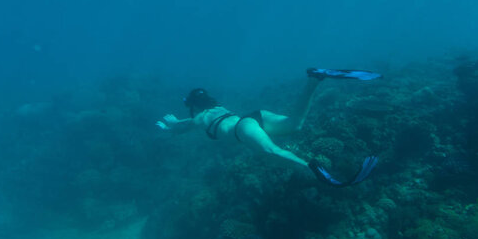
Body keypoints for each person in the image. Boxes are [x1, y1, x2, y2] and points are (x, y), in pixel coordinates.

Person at [156, 68, 381, 188]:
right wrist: (175, 124)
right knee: (295, 123)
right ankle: (314, 79)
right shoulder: (218, 107)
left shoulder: (201, 117)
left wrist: (171, 125)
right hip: (253, 117)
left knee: (272, 152)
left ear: (194, 106)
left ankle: (323, 175)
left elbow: (183, 127)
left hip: (243, 129)